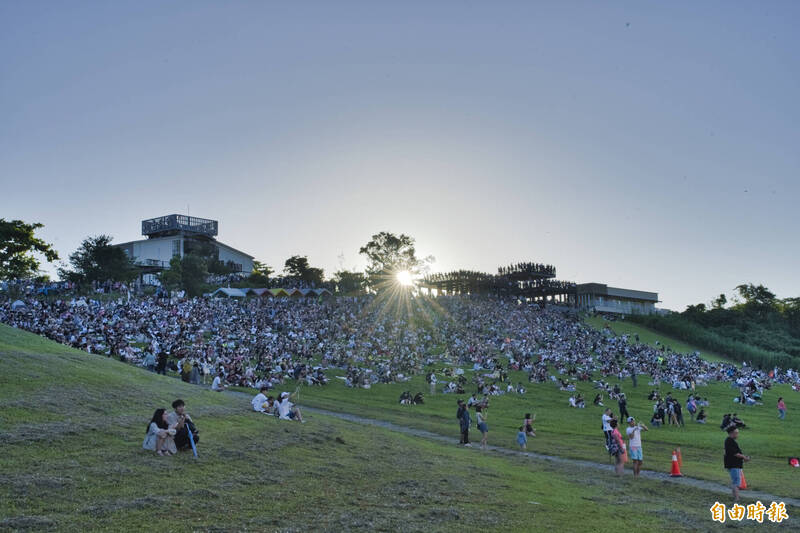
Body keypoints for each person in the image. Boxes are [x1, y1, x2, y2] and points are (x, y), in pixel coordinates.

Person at [724, 426, 750, 502]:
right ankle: (736, 498)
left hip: (734, 464)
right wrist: (744, 457)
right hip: (733, 464)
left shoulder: (730, 441)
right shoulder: (729, 441)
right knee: (736, 482)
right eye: (736, 433)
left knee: (736, 481)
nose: (737, 434)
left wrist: (743, 457)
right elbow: (735, 453)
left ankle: (735, 497)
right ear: (732, 433)